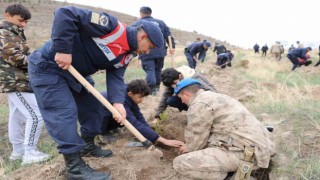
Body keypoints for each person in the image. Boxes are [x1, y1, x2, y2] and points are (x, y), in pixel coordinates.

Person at [27, 6, 163, 179]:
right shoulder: (111, 27)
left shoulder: (128, 55)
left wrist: (118, 103)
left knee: (93, 109)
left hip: (77, 74)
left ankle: (88, 145)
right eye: (149, 46)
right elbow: (65, 13)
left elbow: (115, 76)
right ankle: (74, 167)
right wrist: (63, 49)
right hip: (49, 67)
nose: (148, 52)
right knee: (64, 113)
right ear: (142, 36)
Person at [172, 79, 275, 180]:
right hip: (261, 146)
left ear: (187, 94)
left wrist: (188, 147)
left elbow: (196, 140)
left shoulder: (198, 105)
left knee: (180, 163)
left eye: (181, 97)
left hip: (248, 154)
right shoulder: (213, 96)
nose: (181, 101)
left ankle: (232, 177)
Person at [0, 4, 49, 165]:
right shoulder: (4, 33)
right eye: (21, 20)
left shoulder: (14, 32)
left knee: (17, 115)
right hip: (15, 81)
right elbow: (15, 57)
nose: (23, 24)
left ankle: (18, 151)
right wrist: (38, 61)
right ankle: (30, 152)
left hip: (16, 80)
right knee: (36, 114)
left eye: (26, 22)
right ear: (8, 15)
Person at [100, 79, 184, 147]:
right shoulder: (122, 100)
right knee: (121, 116)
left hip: (107, 111)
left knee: (123, 116)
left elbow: (139, 117)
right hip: (96, 114)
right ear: (130, 94)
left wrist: (151, 134)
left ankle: (110, 128)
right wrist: (163, 140)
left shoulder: (129, 93)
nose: (142, 100)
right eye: (140, 97)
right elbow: (133, 122)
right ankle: (103, 133)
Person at [131, 6, 175, 95]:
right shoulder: (161, 23)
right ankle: (157, 89)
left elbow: (131, 35)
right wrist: (172, 47)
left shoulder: (138, 23)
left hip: (146, 51)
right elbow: (169, 36)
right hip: (160, 52)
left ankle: (151, 90)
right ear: (150, 13)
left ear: (141, 14)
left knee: (150, 70)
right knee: (158, 69)